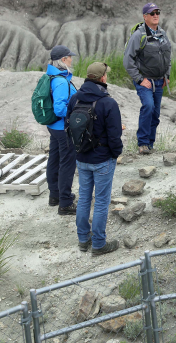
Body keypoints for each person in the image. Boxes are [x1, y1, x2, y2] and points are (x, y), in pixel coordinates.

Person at [67, 62, 123, 255]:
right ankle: (99, 244)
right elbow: (115, 136)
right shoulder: (108, 103)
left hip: (82, 158)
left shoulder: (75, 99)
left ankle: (83, 239)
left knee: (84, 199)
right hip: (102, 160)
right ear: (102, 78)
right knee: (100, 201)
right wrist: (115, 153)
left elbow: (69, 127)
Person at [124, 2, 172, 155]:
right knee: (148, 107)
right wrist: (139, 79)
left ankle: (150, 144)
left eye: (157, 12)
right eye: (152, 13)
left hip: (160, 80)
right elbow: (128, 61)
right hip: (145, 81)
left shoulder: (163, 34)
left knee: (156, 113)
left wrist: (167, 75)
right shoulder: (138, 35)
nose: (156, 15)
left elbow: (168, 57)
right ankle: (143, 143)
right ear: (145, 17)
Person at [46, 45, 78, 215]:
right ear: (63, 60)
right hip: (63, 128)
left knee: (55, 158)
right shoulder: (60, 80)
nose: (72, 60)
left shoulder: (51, 75)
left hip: (53, 127)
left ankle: (55, 196)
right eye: (69, 57)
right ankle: (65, 203)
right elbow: (60, 109)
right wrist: (76, 115)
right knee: (67, 163)